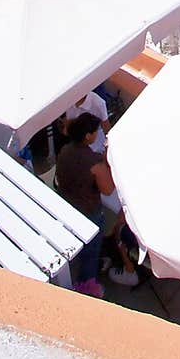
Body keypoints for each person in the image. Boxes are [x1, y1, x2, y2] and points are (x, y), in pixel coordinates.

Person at [54, 113, 114, 294]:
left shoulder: (65, 150)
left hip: (68, 205)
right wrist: (106, 162)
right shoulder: (94, 162)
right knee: (91, 251)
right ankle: (87, 286)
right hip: (89, 211)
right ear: (88, 136)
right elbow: (108, 189)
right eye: (96, 131)